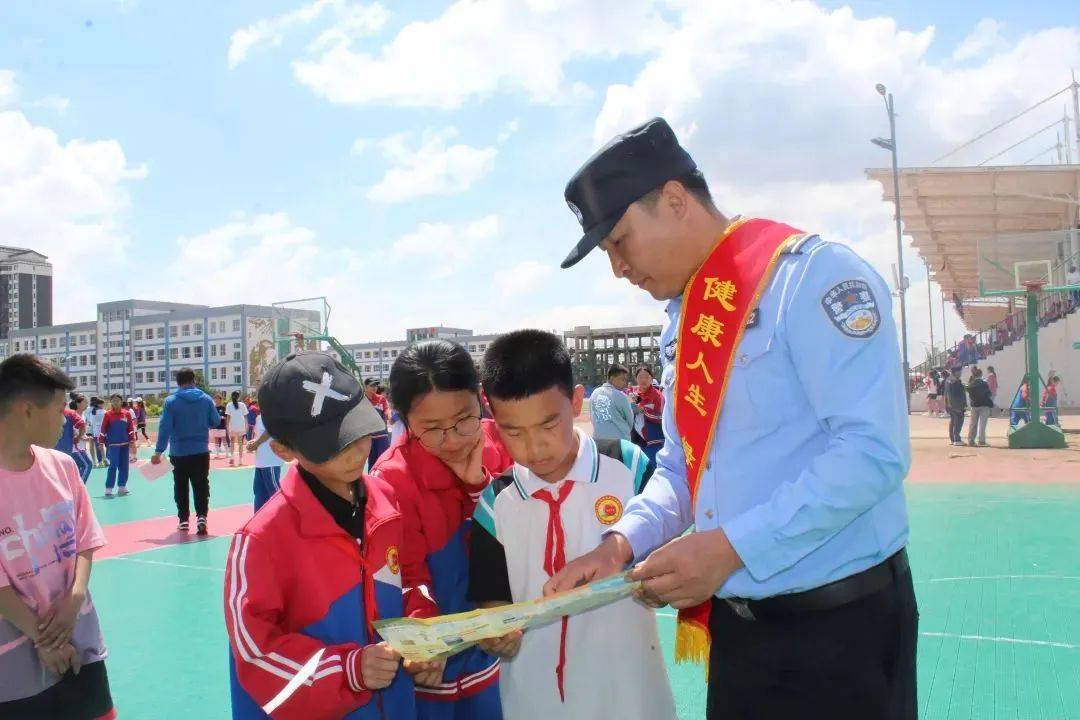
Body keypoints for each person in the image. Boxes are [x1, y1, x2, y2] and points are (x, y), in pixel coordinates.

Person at [546, 118, 915, 718]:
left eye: (619, 242)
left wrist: (732, 549)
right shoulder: (685, 319)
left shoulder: (813, 279)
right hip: (742, 632)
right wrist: (620, 544)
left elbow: (871, 453)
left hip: (841, 631)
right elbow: (683, 466)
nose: (617, 268)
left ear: (673, 200)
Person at [469, 330, 675, 719]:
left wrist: (659, 585)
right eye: (513, 432)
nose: (533, 448)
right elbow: (491, 599)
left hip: (630, 694)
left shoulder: (629, 469)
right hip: (534, 699)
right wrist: (496, 631)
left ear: (577, 400)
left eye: (548, 425)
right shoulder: (496, 504)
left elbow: (665, 559)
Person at [225, 351, 435, 720]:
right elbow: (255, 654)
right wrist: (349, 671)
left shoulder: (386, 499)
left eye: (358, 431)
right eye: (333, 444)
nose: (356, 451)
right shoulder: (261, 539)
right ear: (283, 450)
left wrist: (422, 629)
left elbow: (412, 577)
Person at [370, 340, 513, 719]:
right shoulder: (392, 479)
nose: (453, 439)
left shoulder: (501, 441)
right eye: (431, 429)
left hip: (503, 657)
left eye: (464, 419)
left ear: (480, 399)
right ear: (402, 419)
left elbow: (525, 539)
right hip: (434, 673)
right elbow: (406, 571)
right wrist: (424, 636)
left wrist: (479, 490)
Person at [0, 354, 115, 718]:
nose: (67, 418)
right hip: (14, 650)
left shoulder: (62, 466)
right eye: (60, 407)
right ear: (26, 410)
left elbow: (84, 541)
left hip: (78, 634)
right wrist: (43, 637)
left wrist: (74, 601)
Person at [152, 369, 220, 535]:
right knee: (201, 484)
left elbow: (165, 427)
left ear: (178, 382)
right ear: (194, 380)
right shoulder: (206, 399)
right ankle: (202, 516)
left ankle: (183, 520)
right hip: (201, 450)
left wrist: (158, 451)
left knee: (180, 486)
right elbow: (215, 421)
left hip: (179, 452)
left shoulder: (171, 401)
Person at [99, 394, 136, 498]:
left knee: (124, 466)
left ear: (121, 401)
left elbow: (130, 428)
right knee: (113, 466)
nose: (116, 402)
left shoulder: (127, 414)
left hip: (125, 445)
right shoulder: (108, 415)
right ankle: (109, 488)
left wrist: (132, 439)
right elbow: (103, 429)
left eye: (117, 400)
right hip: (113, 445)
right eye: (113, 401)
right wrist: (101, 441)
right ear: (111, 402)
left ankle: (122, 486)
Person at [246, 411, 283, 511]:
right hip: (260, 462)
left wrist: (256, 443)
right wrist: (252, 443)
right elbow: (259, 435)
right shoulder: (259, 417)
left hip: (270, 461)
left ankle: (286, 519)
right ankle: (258, 522)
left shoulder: (274, 414)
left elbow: (270, 431)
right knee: (259, 492)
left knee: (275, 492)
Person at [589, 363, 636, 441]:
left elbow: (592, 416)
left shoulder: (594, 393)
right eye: (622, 379)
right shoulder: (621, 395)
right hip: (619, 442)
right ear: (611, 378)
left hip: (598, 441)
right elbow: (630, 421)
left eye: (625, 380)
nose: (625, 383)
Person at [629, 365, 664, 465]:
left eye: (646, 377)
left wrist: (643, 410)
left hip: (654, 441)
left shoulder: (657, 395)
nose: (643, 380)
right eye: (640, 377)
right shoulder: (633, 394)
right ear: (636, 378)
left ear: (651, 378)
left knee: (653, 468)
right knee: (639, 469)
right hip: (637, 441)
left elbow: (661, 417)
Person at [56, 393, 93, 484]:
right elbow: (80, 426)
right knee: (86, 465)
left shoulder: (81, 415)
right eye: (85, 402)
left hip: (64, 449)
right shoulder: (71, 414)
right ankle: (78, 488)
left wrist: (80, 437)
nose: (87, 404)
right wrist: (79, 437)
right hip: (70, 449)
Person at [364, 379, 392, 470]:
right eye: (372, 385)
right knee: (371, 463)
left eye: (376, 386)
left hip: (382, 436)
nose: (375, 388)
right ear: (366, 386)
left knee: (384, 461)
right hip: (369, 438)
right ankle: (371, 482)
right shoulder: (361, 400)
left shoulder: (381, 399)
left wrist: (389, 414)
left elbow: (387, 410)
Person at [966, 367, 993, 447]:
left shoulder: (971, 384)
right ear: (981, 375)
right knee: (982, 424)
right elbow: (989, 394)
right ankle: (981, 441)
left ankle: (971, 440)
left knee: (973, 424)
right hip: (984, 405)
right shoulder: (984, 383)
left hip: (974, 405)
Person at [224, 391, 249, 467]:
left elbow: (228, 417)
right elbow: (245, 417)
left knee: (232, 442)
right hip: (241, 425)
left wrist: (227, 426)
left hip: (233, 425)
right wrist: (246, 425)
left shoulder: (229, 405)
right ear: (239, 397)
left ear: (232, 396)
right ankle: (240, 460)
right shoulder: (242, 405)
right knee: (240, 442)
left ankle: (232, 457)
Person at [944, 367, 967, 446]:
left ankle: (953, 439)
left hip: (951, 405)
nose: (960, 373)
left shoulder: (948, 380)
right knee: (958, 422)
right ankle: (956, 439)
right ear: (956, 372)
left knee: (953, 422)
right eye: (960, 372)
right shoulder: (954, 381)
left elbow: (947, 395)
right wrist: (957, 406)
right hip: (956, 406)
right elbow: (953, 395)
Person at [84, 397, 107, 467]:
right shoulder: (100, 410)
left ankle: (94, 461)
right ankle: (103, 459)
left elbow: (86, 419)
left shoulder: (88, 409)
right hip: (96, 429)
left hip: (89, 429)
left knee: (91, 445)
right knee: (100, 445)